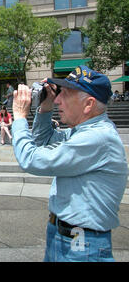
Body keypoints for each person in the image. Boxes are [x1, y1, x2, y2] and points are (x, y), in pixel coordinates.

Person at [11, 65, 128, 262]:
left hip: (81, 246)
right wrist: (45, 107)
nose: (57, 100)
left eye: (64, 94)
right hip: (64, 235)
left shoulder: (98, 137)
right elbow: (43, 141)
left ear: (88, 105)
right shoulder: (82, 132)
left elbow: (31, 159)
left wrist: (20, 117)